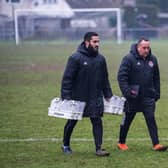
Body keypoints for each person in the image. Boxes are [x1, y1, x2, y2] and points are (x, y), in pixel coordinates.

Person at [61, 32, 113, 156]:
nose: (97, 44)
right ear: (87, 42)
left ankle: (99, 148)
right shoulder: (75, 57)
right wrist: (66, 97)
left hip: (95, 96)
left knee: (97, 121)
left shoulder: (101, 59)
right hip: (78, 97)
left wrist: (108, 93)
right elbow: (67, 79)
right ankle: (65, 145)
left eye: (98, 42)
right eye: (94, 42)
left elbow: (105, 78)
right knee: (72, 121)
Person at [117, 37, 167, 151]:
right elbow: (121, 77)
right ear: (138, 47)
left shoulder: (152, 59)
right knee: (127, 120)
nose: (146, 50)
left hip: (148, 97)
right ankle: (121, 142)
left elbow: (156, 78)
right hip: (132, 97)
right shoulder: (128, 59)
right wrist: (127, 92)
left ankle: (156, 144)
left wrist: (157, 93)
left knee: (151, 119)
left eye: (148, 48)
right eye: (144, 48)